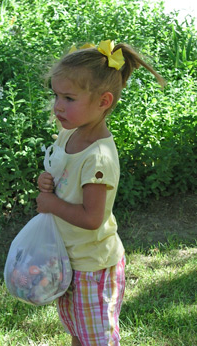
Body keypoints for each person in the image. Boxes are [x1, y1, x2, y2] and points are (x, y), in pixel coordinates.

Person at [36, 39, 165, 346]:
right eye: (56, 95)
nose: (57, 106)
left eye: (68, 97)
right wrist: (48, 181)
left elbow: (93, 217)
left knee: (97, 339)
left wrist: (51, 203)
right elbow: (64, 175)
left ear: (103, 101)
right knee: (79, 333)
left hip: (93, 267)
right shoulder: (69, 133)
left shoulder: (99, 156)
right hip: (70, 260)